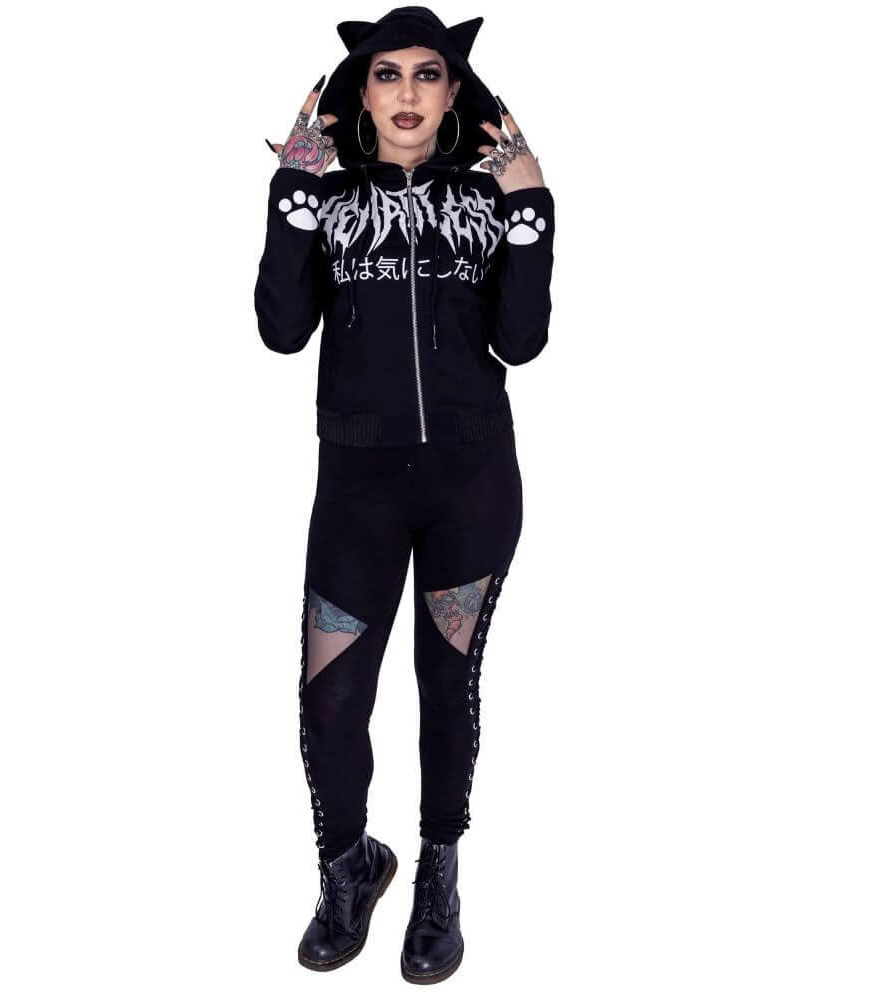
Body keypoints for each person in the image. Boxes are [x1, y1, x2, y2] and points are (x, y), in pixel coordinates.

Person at [254, 5, 555, 984]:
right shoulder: (331, 203)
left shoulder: (488, 201)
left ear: (454, 91)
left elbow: (520, 341)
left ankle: (437, 875)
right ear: (362, 93)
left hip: (472, 482)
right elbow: (281, 329)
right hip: (357, 491)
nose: (410, 92)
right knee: (330, 698)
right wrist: (294, 189)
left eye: (429, 73)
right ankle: (349, 864)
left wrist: (532, 208)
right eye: (389, 74)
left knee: (444, 685)